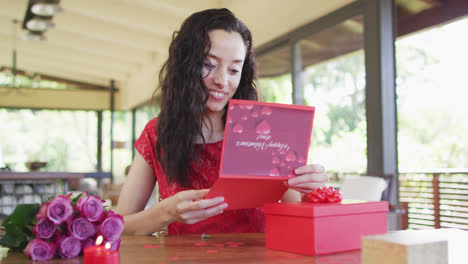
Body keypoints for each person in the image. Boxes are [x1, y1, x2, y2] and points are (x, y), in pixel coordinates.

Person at [116, 8, 328, 236]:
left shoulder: (262, 131)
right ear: (185, 66)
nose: (222, 81)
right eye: (208, 65)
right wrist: (166, 213)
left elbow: (296, 212)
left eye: (234, 69)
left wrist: (310, 192)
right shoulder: (156, 133)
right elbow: (119, 226)